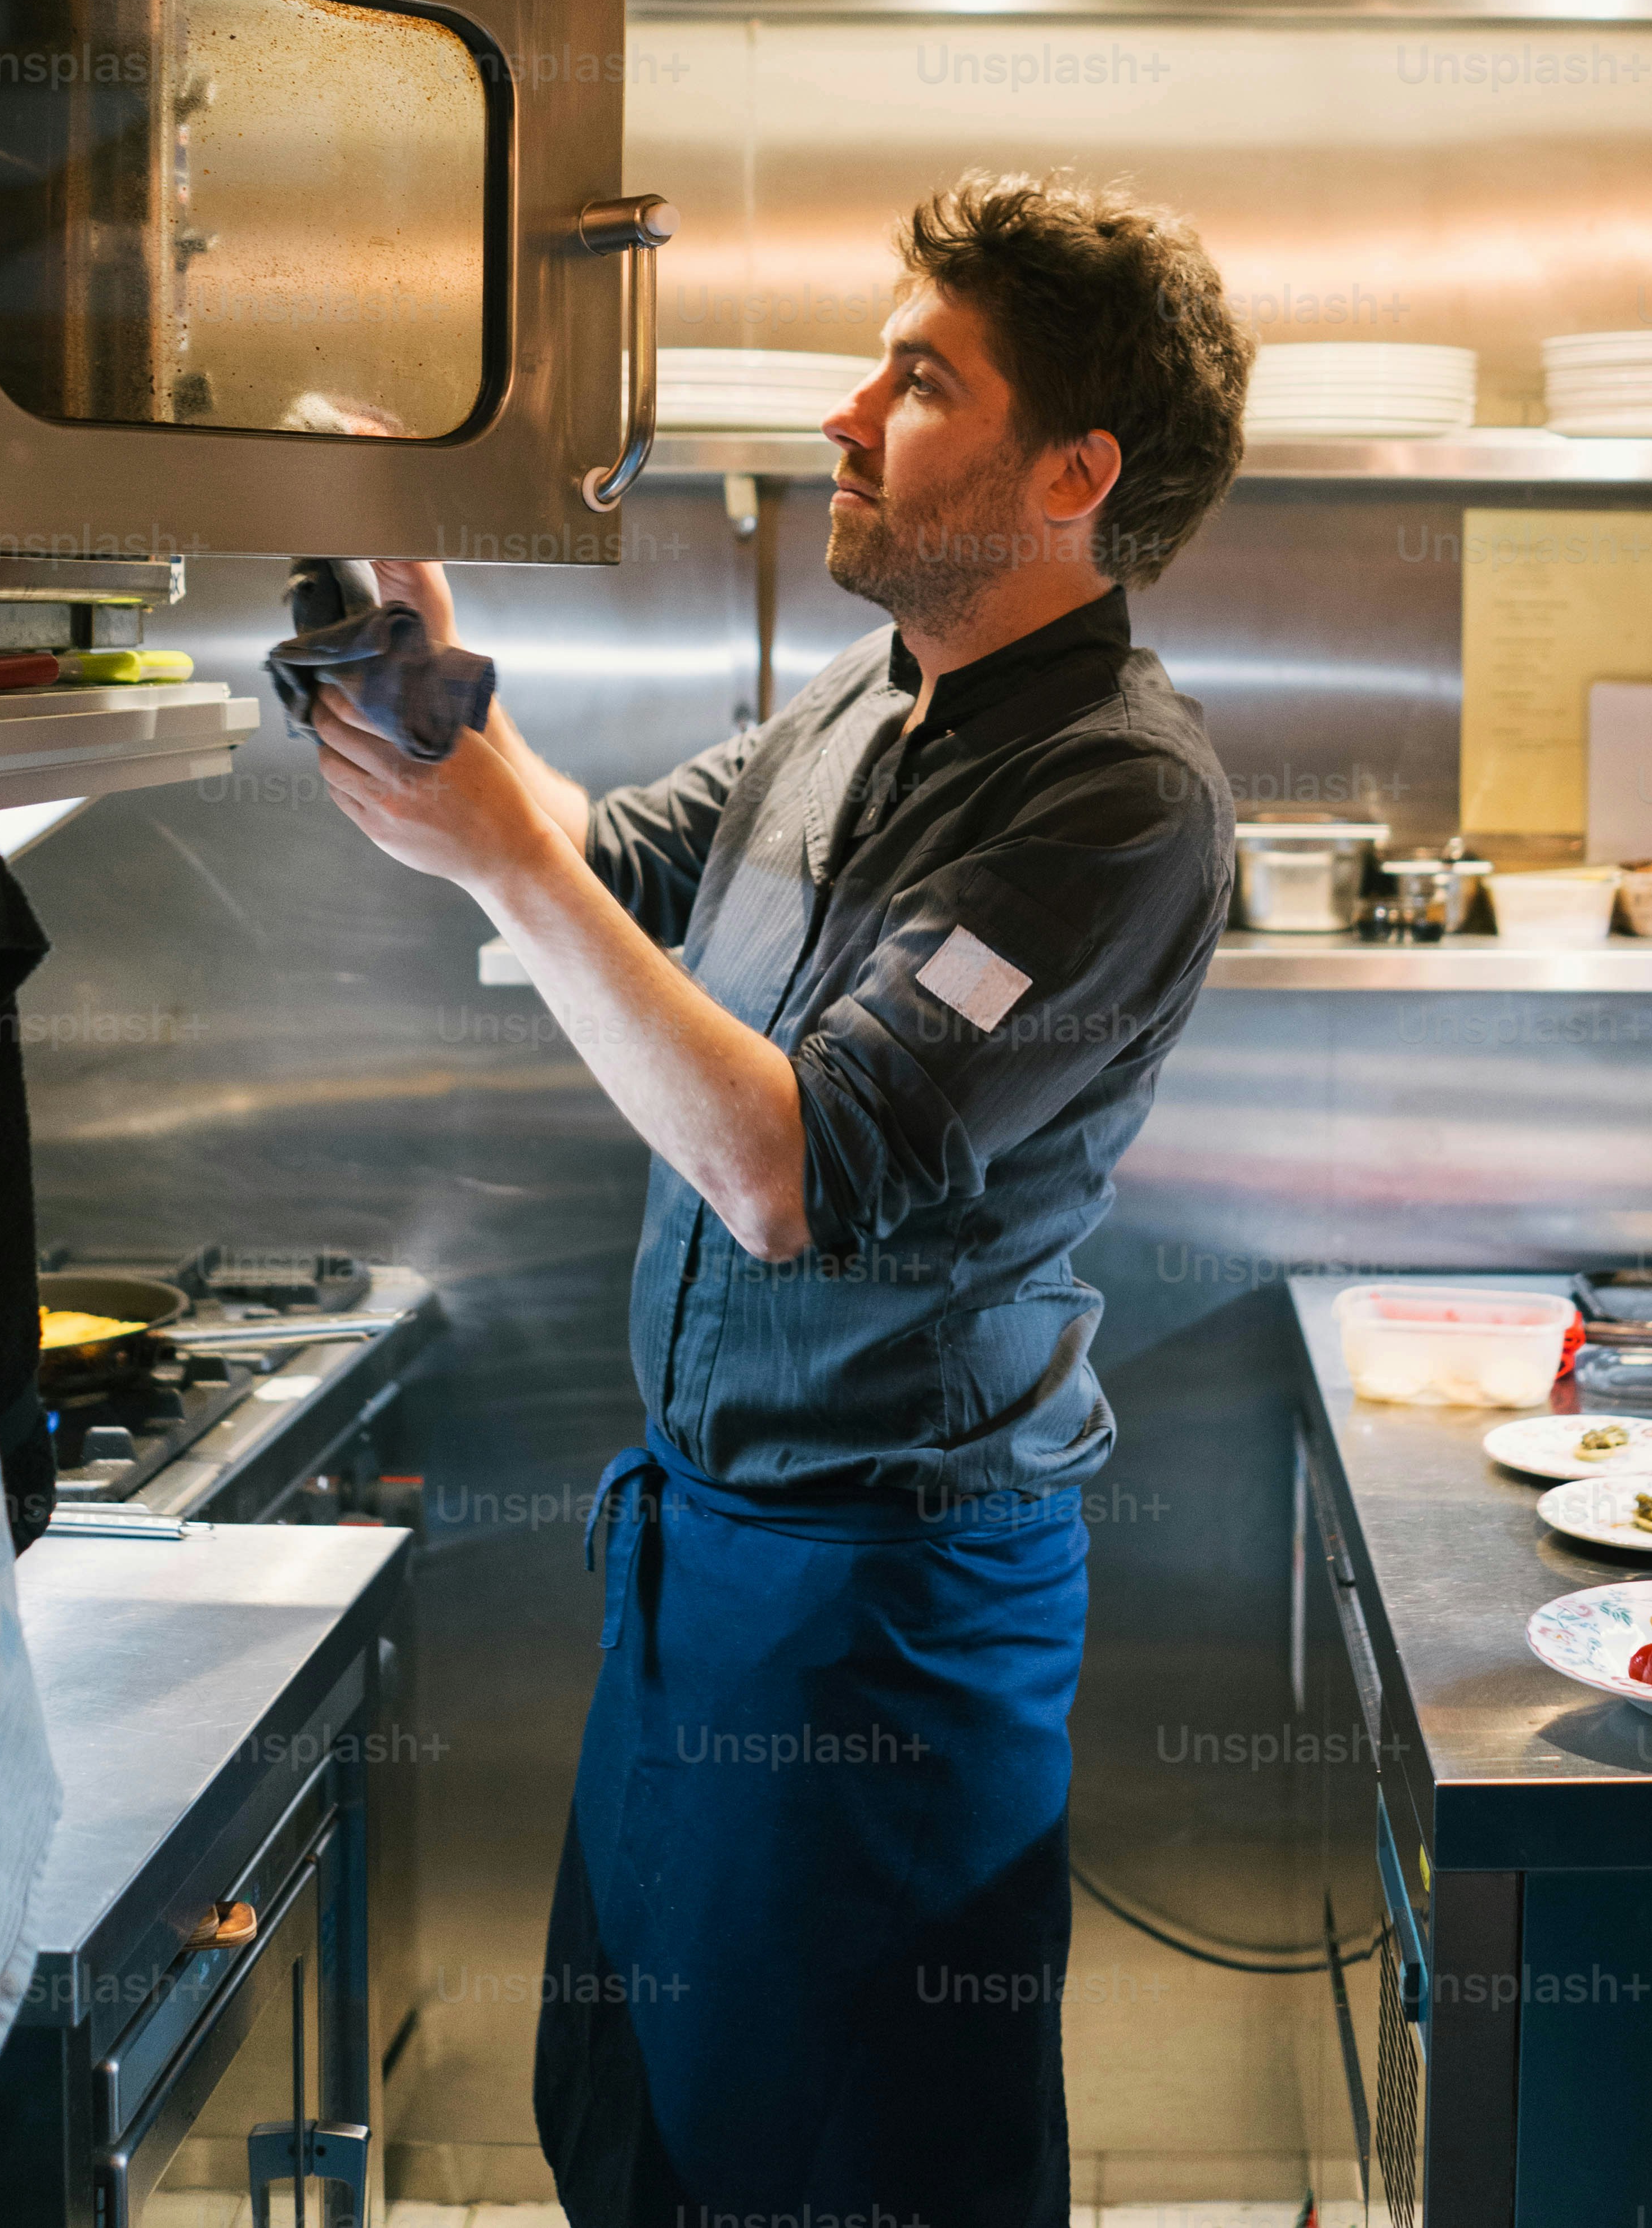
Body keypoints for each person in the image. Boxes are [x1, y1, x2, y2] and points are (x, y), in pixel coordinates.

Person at [313, 172, 1251, 2228]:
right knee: (646, 2136)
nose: (844, 412)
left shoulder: (1114, 792)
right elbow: (613, 859)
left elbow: (783, 1171)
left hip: (887, 1625)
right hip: (702, 1579)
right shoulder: (859, 698)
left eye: (918, 380)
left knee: (853, 2173)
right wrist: (439, 706)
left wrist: (499, 866)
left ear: (1072, 473)